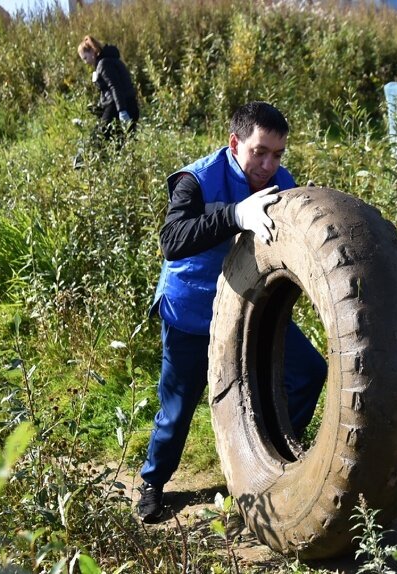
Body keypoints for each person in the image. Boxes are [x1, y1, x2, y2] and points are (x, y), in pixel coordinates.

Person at [138, 101, 327, 523]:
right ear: (235, 143)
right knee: (178, 408)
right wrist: (236, 214)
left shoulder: (281, 182)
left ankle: (273, 457)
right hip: (192, 310)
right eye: (259, 152)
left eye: (277, 154)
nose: (268, 165)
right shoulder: (196, 180)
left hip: (253, 309)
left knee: (308, 374)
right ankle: (153, 481)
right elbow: (172, 240)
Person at [77, 35, 140, 141]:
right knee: (122, 142)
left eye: (85, 58)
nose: (85, 62)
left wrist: (122, 111)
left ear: (92, 52)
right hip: (129, 105)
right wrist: (99, 107)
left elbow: (115, 87)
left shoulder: (104, 64)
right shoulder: (110, 61)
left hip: (119, 107)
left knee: (100, 140)